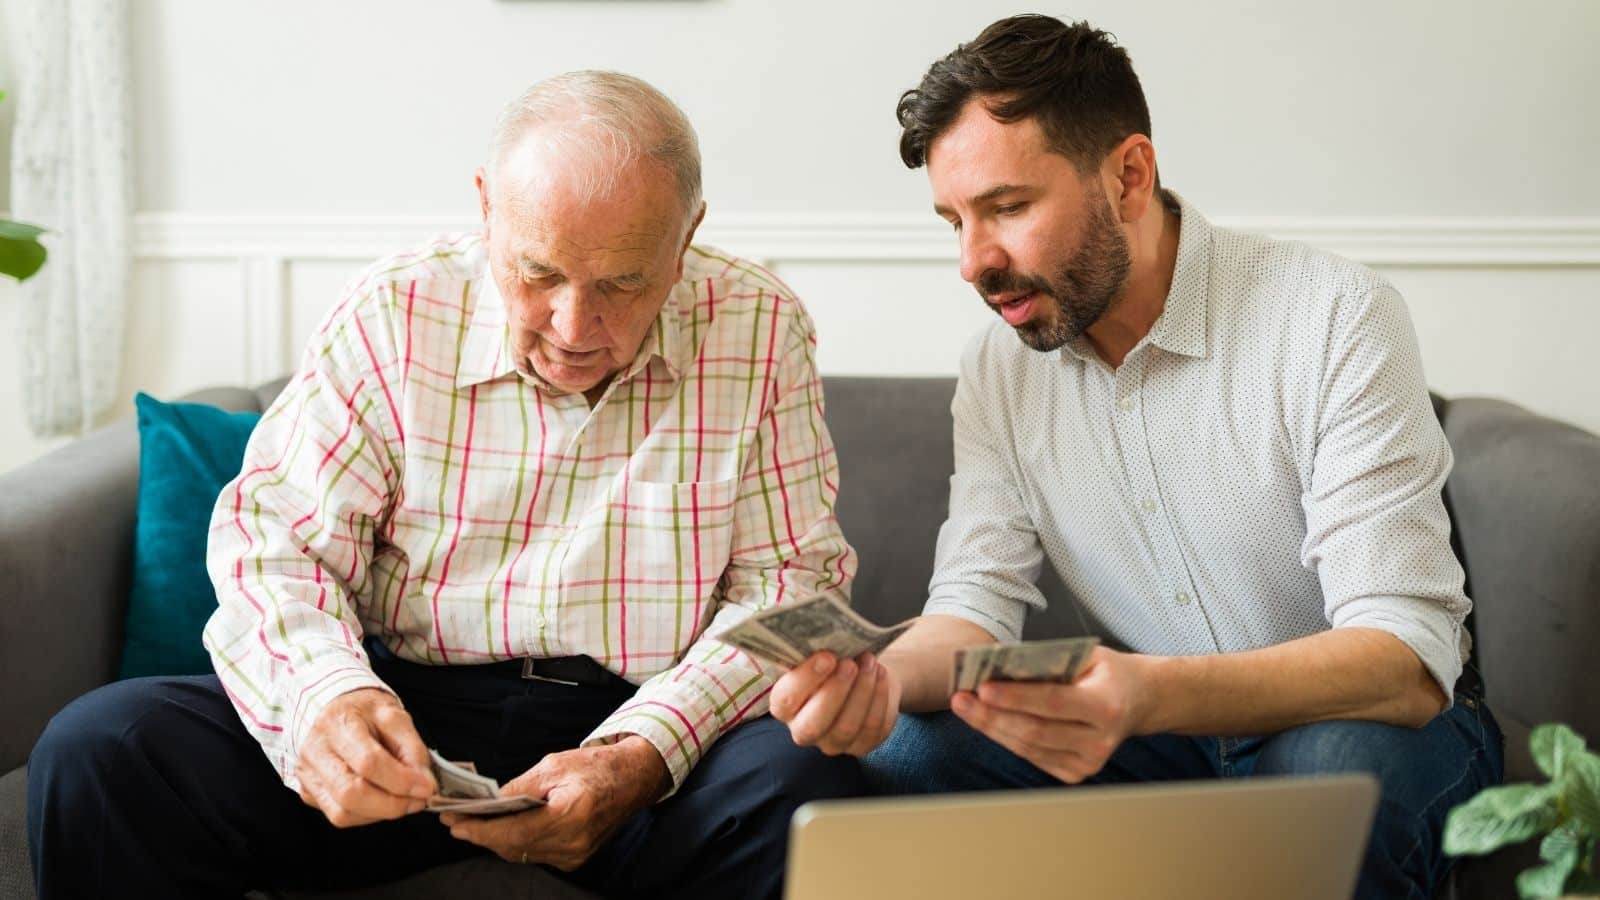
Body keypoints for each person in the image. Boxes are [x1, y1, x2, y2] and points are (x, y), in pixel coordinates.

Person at [28, 70, 864, 900]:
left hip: (646, 727)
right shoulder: (394, 312)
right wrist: (329, 699)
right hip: (408, 717)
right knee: (104, 746)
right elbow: (276, 539)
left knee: (803, 788)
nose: (574, 328)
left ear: (686, 239)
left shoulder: (758, 325)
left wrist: (645, 753)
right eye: (539, 273)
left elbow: (791, 586)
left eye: (622, 283)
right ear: (487, 209)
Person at [768, 16, 1502, 899]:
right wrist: (874, 682)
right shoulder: (999, 371)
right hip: (1167, 741)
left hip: (1369, 724)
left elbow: (1405, 661)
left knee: (1334, 764)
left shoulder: (1334, 317)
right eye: (953, 220)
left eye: (1007, 208)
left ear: (1128, 176)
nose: (972, 262)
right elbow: (973, 610)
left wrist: (1146, 693)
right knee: (911, 743)